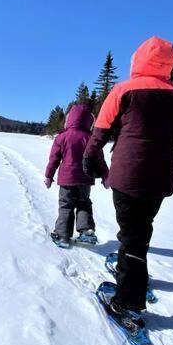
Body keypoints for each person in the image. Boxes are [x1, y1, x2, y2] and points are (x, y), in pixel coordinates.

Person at [83, 36, 173, 316]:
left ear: (137, 59)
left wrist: (90, 157)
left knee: (132, 236)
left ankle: (128, 303)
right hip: (160, 181)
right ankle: (133, 273)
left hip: (126, 176)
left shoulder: (123, 90)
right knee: (140, 229)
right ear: (169, 64)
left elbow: (100, 130)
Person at [44, 102, 106, 247]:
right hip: (85, 178)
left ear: (69, 119)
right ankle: (86, 231)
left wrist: (49, 175)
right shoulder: (91, 138)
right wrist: (105, 174)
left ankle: (62, 235)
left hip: (66, 179)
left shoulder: (62, 137)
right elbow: (99, 158)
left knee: (66, 205)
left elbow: (54, 159)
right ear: (89, 121)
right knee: (84, 203)